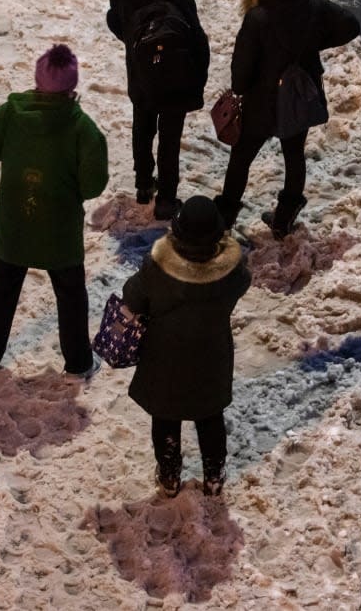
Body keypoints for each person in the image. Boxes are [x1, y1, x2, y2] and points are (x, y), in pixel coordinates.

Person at [0, 44, 109, 380]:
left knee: (2, 288)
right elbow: (92, 186)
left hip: (13, 227)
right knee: (71, 296)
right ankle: (78, 364)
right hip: (58, 235)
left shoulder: (14, 114)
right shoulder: (83, 130)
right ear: (73, 87)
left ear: (36, 79)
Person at [214, 0, 361, 238]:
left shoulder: (258, 18)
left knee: (241, 158)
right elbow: (350, 24)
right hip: (297, 99)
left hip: (260, 104)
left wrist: (238, 89)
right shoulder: (314, 7)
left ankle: (224, 217)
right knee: (294, 155)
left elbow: (241, 71)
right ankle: (284, 218)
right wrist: (315, 43)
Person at [121, 196, 251, 497]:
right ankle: (214, 473)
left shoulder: (158, 268)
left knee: (166, 416)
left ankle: (168, 475)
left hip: (164, 358)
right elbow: (244, 282)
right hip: (212, 358)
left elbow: (133, 296)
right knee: (210, 417)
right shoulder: (231, 273)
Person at [107, 0, 210, 221]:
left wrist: (133, 43)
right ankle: (166, 198)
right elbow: (196, 39)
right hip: (174, 79)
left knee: (142, 125)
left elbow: (116, 21)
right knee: (169, 136)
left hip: (140, 73)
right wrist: (198, 81)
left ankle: (142, 184)